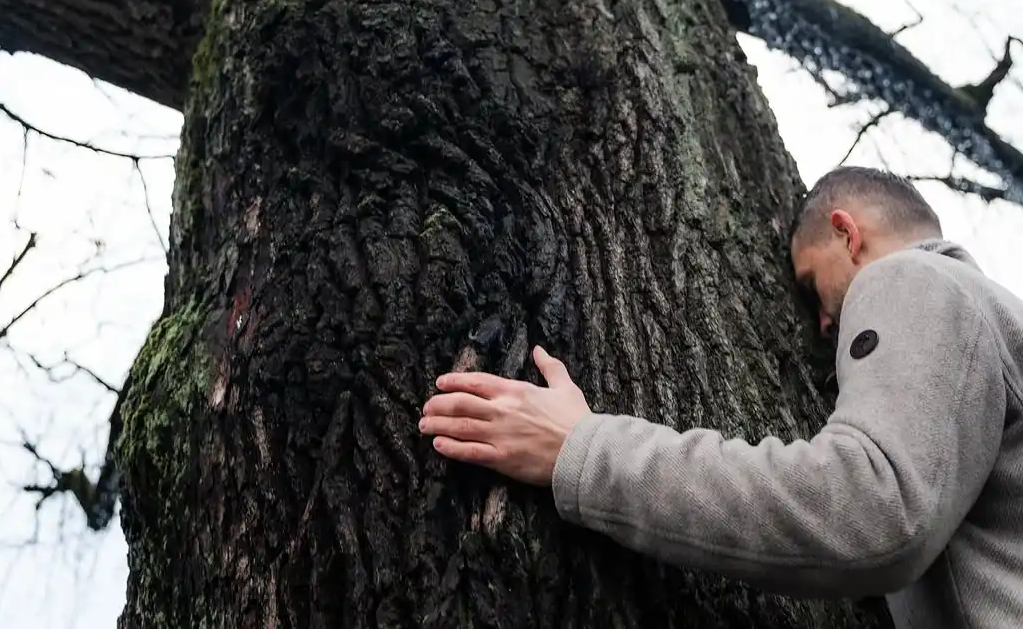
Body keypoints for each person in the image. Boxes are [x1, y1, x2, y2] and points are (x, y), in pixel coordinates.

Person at [419, 167, 1023, 628]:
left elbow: (876, 510)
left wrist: (582, 449)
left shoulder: (914, 278)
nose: (821, 324)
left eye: (813, 287)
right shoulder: (989, 321)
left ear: (846, 233)